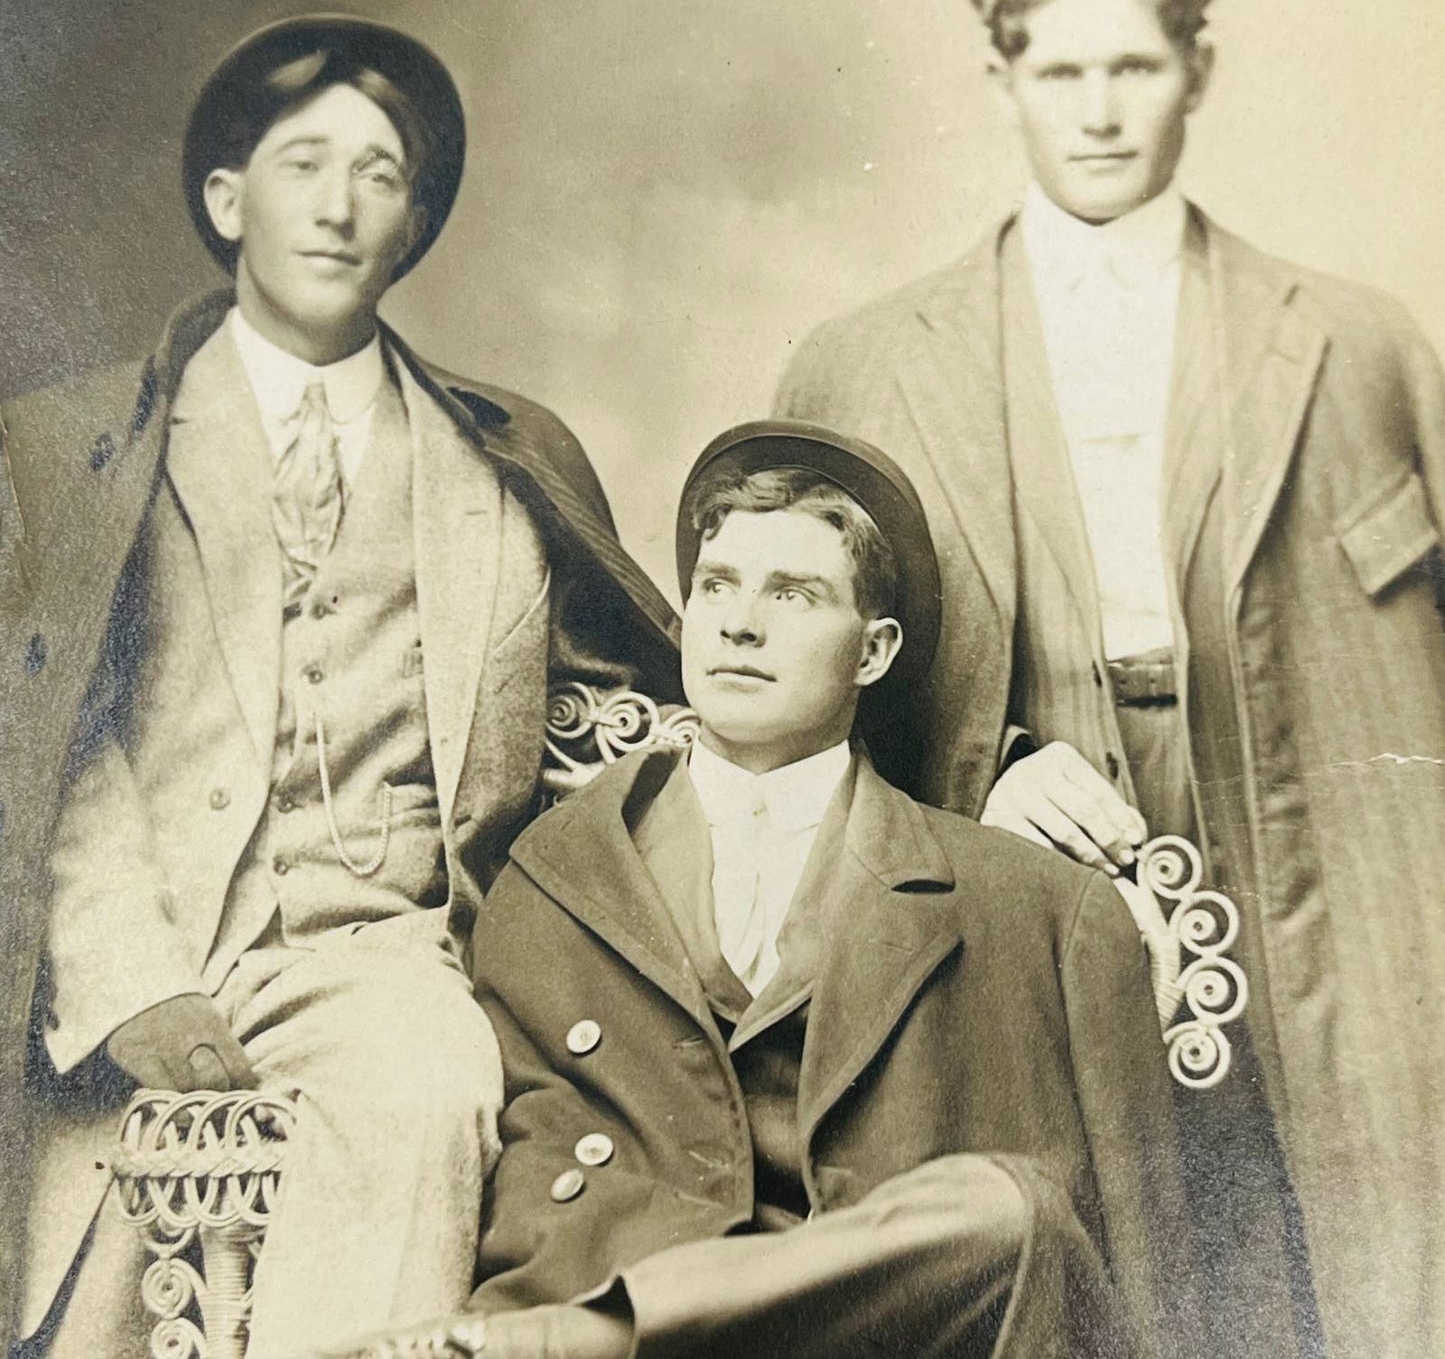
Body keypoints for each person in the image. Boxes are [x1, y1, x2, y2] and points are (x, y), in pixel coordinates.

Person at [772, 0, 1445, 1355]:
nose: (1095, 109)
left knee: (1335, 1232)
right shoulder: (865, 361)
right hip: (1024, 839)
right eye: (1058, 69)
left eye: (1132, 66)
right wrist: (983, 766)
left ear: (1197, 70)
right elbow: (788, 694)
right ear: (999, 77)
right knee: (1098, 1243)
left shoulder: (1357, 340)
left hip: (1309, 840)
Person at [1, 15, 679, 1357]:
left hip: (382, 944)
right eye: (302, 162)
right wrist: (134, 982)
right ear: (225, 198)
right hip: (150, 944)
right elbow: (47, 744)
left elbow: (636, 716)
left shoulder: (503, 459)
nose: (336, 204)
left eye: (378, 173)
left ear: (415, 218)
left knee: (431, 1090)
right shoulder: (70, 445)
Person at [313, 420, 1204, 1359]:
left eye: (794, 593)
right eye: (717, 586)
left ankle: (587, 1335)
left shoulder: (1030, 902)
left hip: (872, 1342)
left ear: (872, 651)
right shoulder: (564, 867)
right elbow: (528, 1178)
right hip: (609, 1324)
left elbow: (1137, 1265)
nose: (740, 621)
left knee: (1012, 1211)